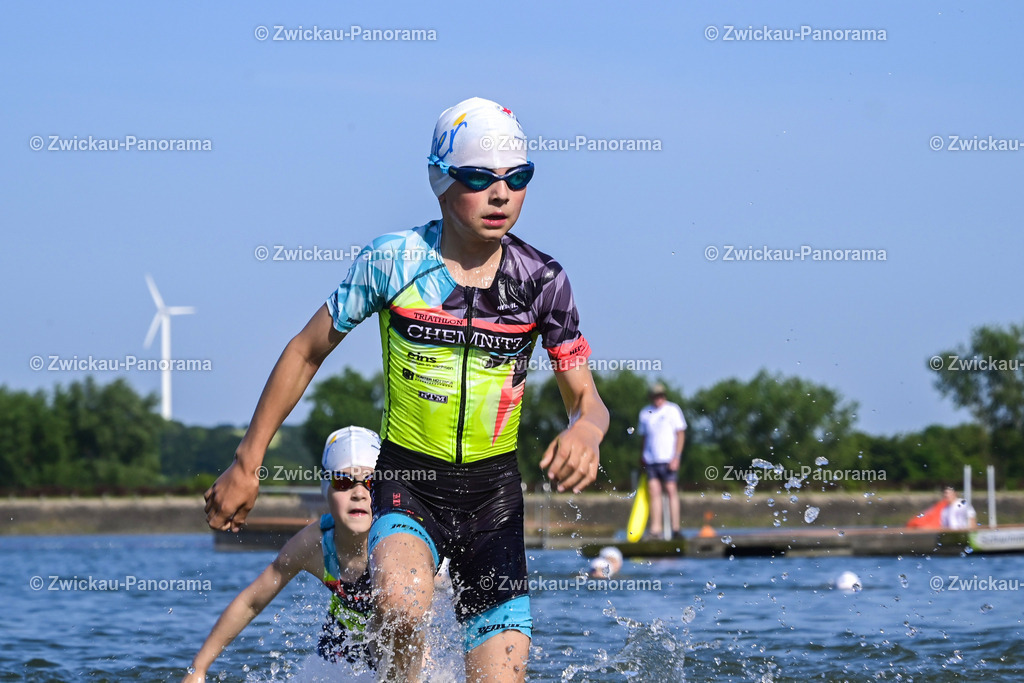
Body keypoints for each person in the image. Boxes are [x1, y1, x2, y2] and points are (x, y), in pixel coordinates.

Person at [203, 96, 609, 683]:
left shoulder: (542, 279)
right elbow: (305, 349)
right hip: (408, 482)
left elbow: (585, 398)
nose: (501, 195)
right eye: (479, 179)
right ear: (441, 180)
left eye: (517, 179)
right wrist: (248, 461)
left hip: (494, 500)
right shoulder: (393, 262)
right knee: (400, 602)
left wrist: (588, 430)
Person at [183, 427, 382, 681]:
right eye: (342, 481)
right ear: (326, 491)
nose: (358, 493)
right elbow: (251, 602)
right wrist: (198, 668)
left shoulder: (396, 539)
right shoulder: (315, 544)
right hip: (340, 646)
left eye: (371, 482)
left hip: (394, 641)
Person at [637, 382, 686, 540]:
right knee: (654, 492)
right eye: (655, 396)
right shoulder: (645, 412)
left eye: (660, 395)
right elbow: (644, 437)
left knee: (671, 490)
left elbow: (680, 434)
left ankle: (676, 529)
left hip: (668, 458)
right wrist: (642, 455)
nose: (658, 399)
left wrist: (676, 456)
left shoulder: (673, 410)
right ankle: (655, 530)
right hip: (651, 459)